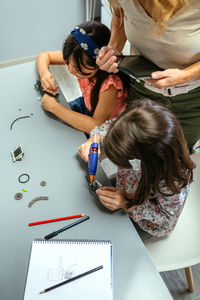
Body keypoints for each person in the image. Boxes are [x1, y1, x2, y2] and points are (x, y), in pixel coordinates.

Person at [78, 99, 195, 238]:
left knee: (109, 235)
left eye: (121, 163)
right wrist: (94, 141)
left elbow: (166, 220)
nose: (117, 165)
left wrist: (127, 203)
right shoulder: (132, 124)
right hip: (128, 188)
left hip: (145, 222)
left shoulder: (173, 180)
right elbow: (108, 126)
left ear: (145, 161)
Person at [96, 0, 200, 150]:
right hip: (141, 92)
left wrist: (186, 75)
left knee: (179, 156)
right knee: (140, 152)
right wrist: (113, 48)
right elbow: (120, 16)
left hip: (192, 100)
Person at [37, 21, 129, 135]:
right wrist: (45, 74)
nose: (70, 69)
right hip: (88, 105)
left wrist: (54, 108)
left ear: (99, 63)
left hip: (107, 127)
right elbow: (44, 56)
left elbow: (96, 125)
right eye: (68, 63)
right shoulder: (76, 55)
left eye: (77, 68)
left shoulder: (110, 86)